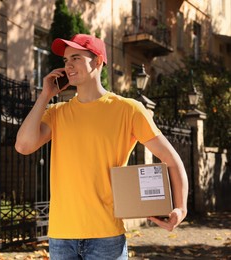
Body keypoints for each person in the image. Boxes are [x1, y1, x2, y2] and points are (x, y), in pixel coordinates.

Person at [15, 34, 188, 260]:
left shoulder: (128, 110)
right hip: (61, 236)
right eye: (66, 60)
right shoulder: (57, 113)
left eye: (76, 58)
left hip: (106, 236)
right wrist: (45, 96)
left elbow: (172, 160)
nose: (68, 65)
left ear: (97, 61)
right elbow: (23, 146)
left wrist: (181, 208)